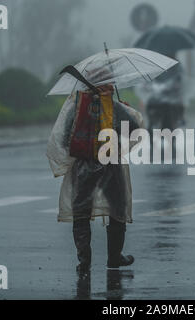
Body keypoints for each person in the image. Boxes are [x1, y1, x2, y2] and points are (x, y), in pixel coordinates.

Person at [46, 83, 143, 274]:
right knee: (117, 209)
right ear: (107, 86)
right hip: (111, 165)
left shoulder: (77, 106)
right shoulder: (115, 107)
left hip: (83, 167)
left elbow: (66, 138)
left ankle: (84, 261)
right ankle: (114, 258)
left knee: (81, 212)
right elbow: (134, 130)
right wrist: (128, 109)